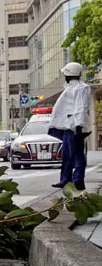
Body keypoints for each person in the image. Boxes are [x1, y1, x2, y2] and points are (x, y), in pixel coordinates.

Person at [50, 62, 93, 191]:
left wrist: (78, 126)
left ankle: (78, 180)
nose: (64, 76)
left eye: (65, 74)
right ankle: (66, 180)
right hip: (68, 127)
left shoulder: (81, 88)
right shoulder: (71, 88)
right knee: (67, 155)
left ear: (69, 74)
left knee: (77, 155)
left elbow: (81, 107)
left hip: (75, 127)